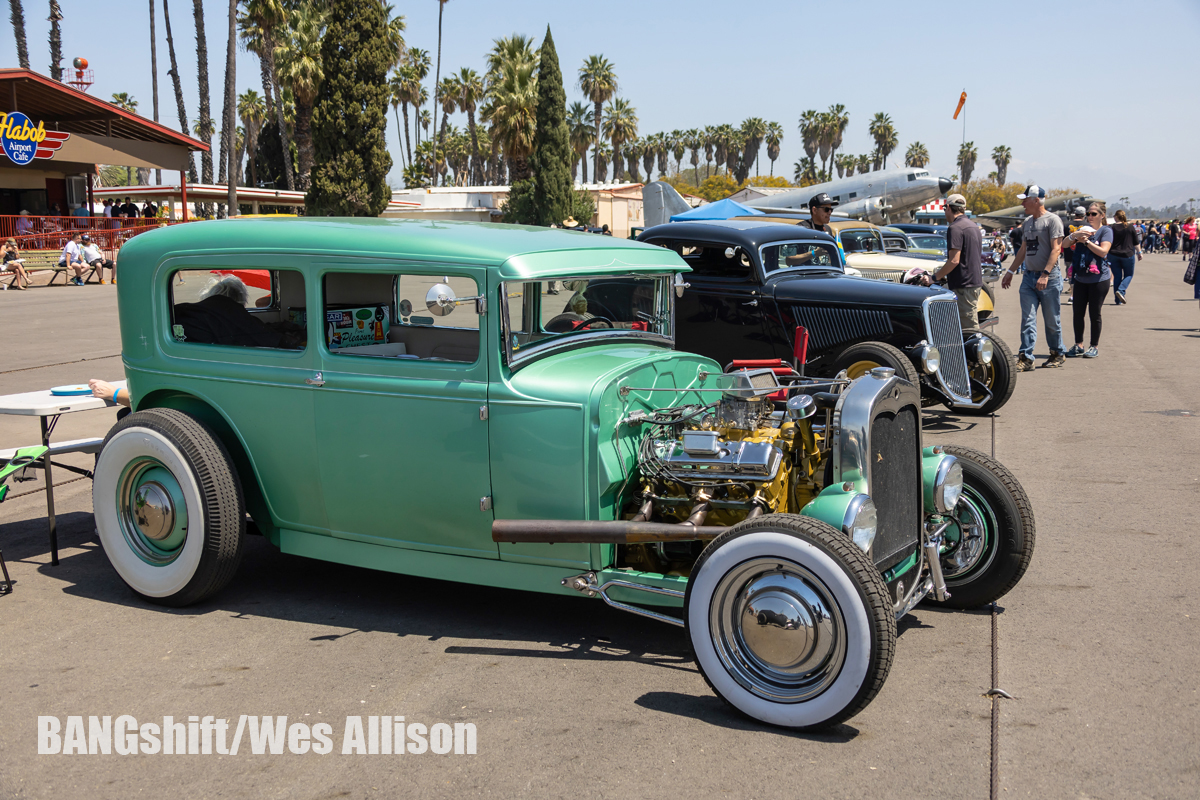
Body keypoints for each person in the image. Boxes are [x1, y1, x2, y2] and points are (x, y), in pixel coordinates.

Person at [1000, 185, 1065, 370]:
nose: (1022, 203)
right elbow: (1023, 249)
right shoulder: (1028, 222)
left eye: (1025, 199)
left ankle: (1057, 352)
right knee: (1027, 319)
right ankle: (1026, 358)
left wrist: (1045, 274)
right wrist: (1010, 272)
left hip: (1049, 278)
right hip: (1029, 278)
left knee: (1052, 319)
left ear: (1037, 200)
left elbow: (1056, 249)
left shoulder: (1053, 221)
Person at [1063, 202, 1112, 358]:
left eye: (1093, 214)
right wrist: (1074, 236)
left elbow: (1103, 251)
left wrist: (1087, 242)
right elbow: (1064, 244)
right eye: (1088, 214)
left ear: (1102, 215)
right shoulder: (1082, 230)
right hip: (1081, 278)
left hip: (1099, 279)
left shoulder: (1105, 231)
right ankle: (1079, 345)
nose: (1089, 217)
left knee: (1094, 313)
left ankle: (1094, 346)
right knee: (1078, 312)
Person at [932, 193, 983, 332]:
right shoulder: (973, 226)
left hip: (963, 285)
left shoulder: (955, 227)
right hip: (973, 282)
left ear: (948, 207)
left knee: (969, 330)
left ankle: (976, 354)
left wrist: (934, 277)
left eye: (944, 208)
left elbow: (954, 260)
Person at [1108, 210, 1140, 304]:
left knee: (1117, 276)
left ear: (1116, 217)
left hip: (1113, 254)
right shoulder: (1130, 227)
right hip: (1127, 254)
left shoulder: (1111, 227)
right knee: (1128, 275)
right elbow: (1136, 242)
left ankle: (1118, 300)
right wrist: (1139, 252)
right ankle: (1121, 290)